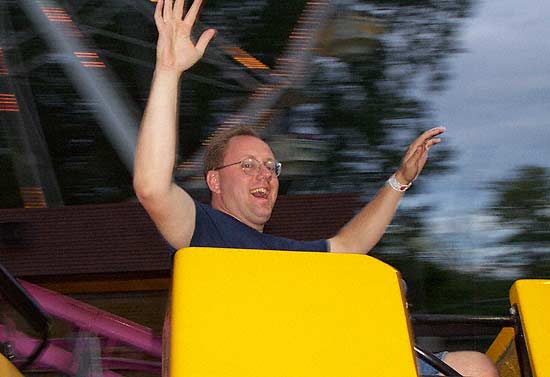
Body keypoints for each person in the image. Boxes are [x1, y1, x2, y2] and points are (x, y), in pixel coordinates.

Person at [133, 0, 499, 376]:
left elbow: (348, 246)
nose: (265, 176)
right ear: (214, 181)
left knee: (474, 366)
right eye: (247, 166)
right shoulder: (205, 233)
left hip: (327, 359)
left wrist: (400, 179)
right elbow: (152, 187)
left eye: (271, 167)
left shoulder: (287, 254)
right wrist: (168, 70)